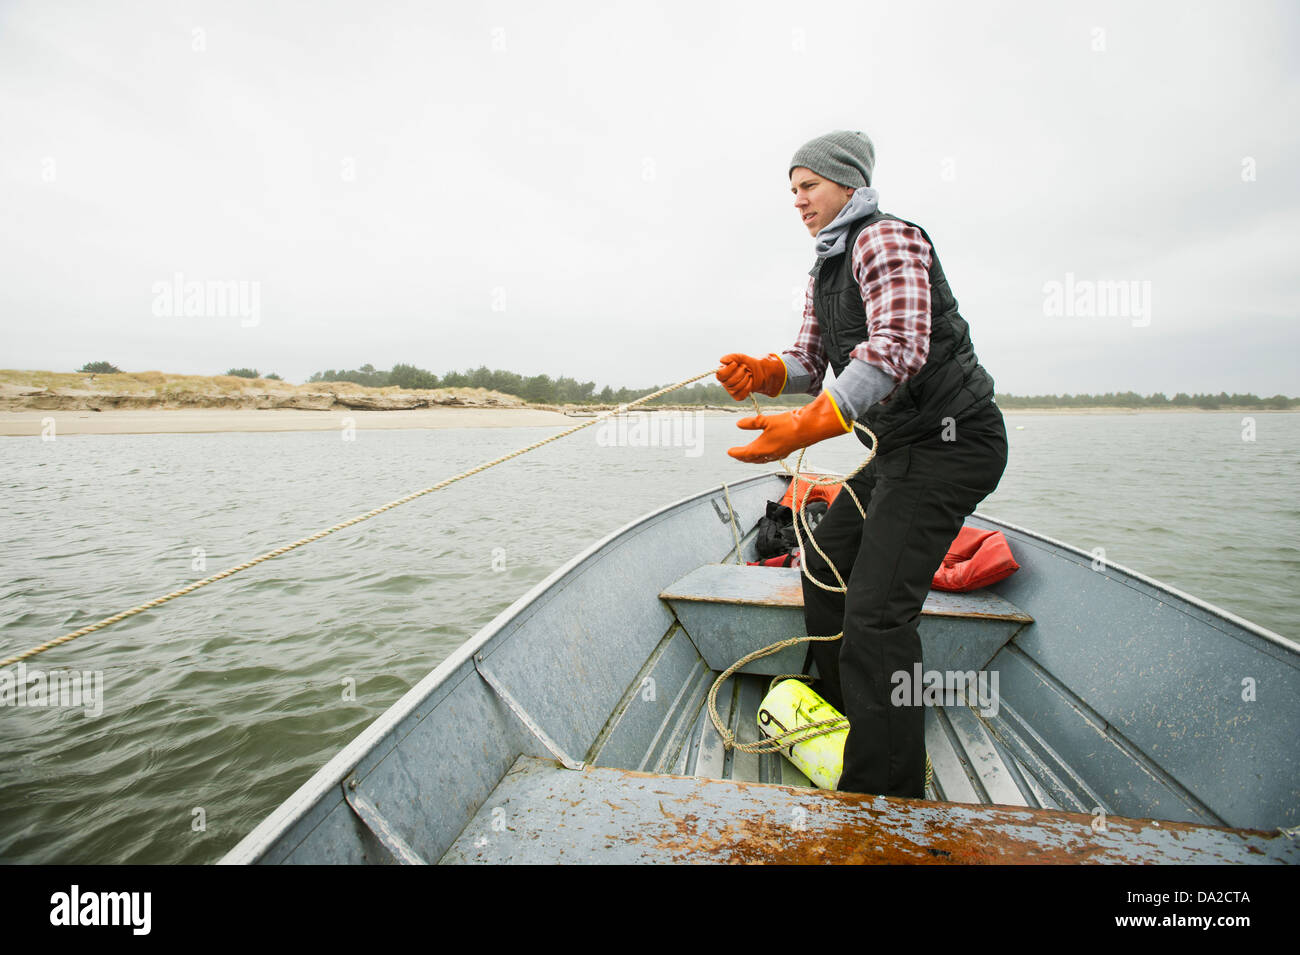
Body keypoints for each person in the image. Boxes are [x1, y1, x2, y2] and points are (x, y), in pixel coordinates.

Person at [717, 129, 1008, 798]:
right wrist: (764, 372)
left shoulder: (887, 239)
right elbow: (809, 360)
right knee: (824, 559)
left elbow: (897, 349)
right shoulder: (826, 265)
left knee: (877, 616)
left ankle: (884, 794)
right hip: (900, 450)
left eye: (808, 185)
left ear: (848, 184)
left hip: (954, 444)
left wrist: (803, 427)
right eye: (791, 190)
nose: (797, 200)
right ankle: (853, 709)